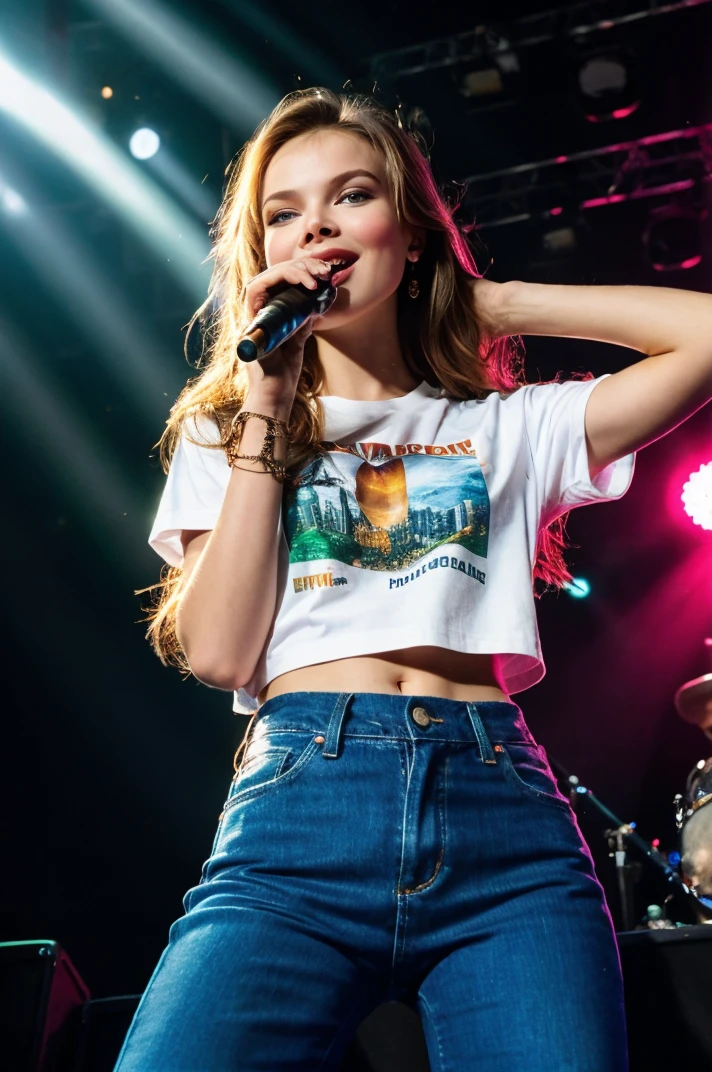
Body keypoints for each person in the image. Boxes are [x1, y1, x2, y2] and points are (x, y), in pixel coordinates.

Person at [114, 87, 712, 1071]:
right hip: (298, 814)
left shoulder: (503, 425)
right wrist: (267, 397)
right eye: (282, 211)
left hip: (500, 820)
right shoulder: (228, 431)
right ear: (262, 254)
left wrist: (497, 303)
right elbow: (220, 650)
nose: (315, 224)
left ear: (410, 236)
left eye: (350, 196)